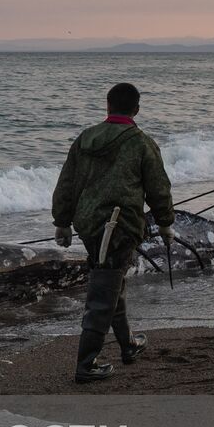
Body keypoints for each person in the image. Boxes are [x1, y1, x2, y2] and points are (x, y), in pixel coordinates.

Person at [51, 83, 175, 383]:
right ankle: (86, 363)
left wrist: (62, 222)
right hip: (120, 226)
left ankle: (128, 345)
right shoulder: (142, 142)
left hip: (88, 224)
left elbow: (66, 182)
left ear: (107, 106)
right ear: (136, 109)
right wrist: (166, 223)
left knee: (111, 282)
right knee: (104, 291)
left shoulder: (85, 138)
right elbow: (159, 188)